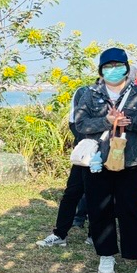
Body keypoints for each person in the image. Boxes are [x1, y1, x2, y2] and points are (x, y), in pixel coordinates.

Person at [73, 47, 137, 273]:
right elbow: (80, 124)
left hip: (132, 160)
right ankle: (106, 254)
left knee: (133, 210)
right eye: (108, 66)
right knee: (100, 208)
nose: (113, 70)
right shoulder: (90, 94)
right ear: (101, 70)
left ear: (126, 68)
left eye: (117, 66)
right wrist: (107, 120)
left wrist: (128, 121)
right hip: (97, 161)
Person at [36, 85, 90, 247]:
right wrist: (89, 142)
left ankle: (95, 235)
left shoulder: (121, 95)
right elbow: (74, 122)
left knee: (99, 196)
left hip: (107, 154)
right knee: (71, 193)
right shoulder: (83, 92)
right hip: (85, 154)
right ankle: (60, 234)